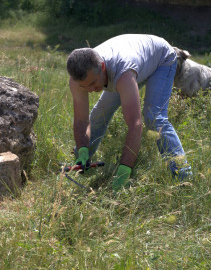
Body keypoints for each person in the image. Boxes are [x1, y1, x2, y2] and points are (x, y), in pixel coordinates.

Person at [66, 34, 192, 191]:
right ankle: (82, 163)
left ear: (103, 67)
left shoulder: (122, 73)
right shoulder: (78, 80)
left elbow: (135, 124)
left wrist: (124, 173)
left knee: (154, 118)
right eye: (85, 86)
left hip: (161, 60)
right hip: (133, 60)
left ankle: (183, 177)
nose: (91, 90)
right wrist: (83, 149)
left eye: (93, 83)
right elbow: (81, 121)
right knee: (100, 114)